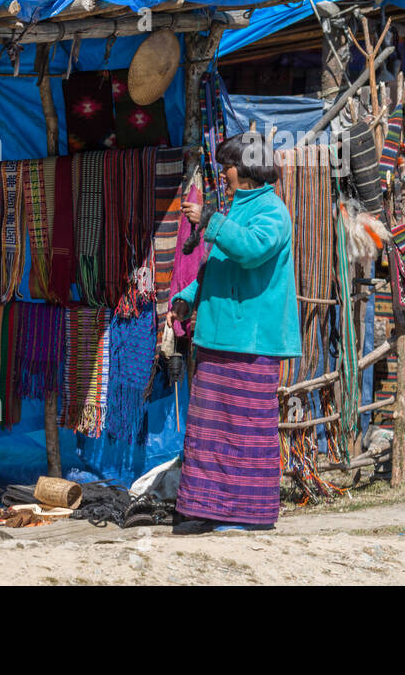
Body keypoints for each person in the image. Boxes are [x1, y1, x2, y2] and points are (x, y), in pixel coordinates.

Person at [171, 132, 301, 533]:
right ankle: (208, 510)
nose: (223, 173)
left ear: (243, 169)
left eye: (227, 164)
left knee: (244, 431)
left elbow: (249, 251)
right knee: (210, 430)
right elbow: (218, 266)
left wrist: (212, 221)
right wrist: (188, 295)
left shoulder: (273, 212)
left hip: (252, 341)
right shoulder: (237, 208)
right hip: (217, 335)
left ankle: (246, 515)